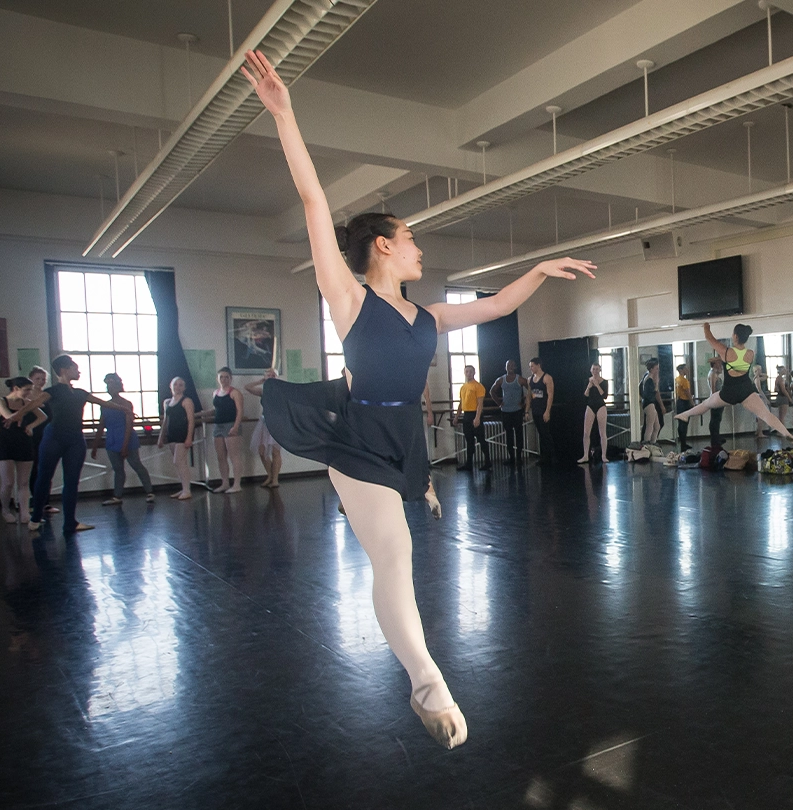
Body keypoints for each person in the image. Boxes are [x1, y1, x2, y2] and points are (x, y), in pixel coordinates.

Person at [243, 48, 594, 750]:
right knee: (395, 557)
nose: (420, 250)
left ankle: (425, 671)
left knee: (400, 547)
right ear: (381, 247)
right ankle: (427, 685)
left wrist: (538, 270)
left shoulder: (428, 317)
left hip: (404, 443)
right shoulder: (347, 300)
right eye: (411, 241)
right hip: (356, 441)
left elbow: (494, 307)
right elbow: (315, 203)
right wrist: (284, 115)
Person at [28, 354, 133, 532]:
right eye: (75, 368)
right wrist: (16, 415)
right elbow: (34, 404)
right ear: (64, 370)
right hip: (54, 437)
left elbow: (103, 403)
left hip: (75, 439)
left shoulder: (80, 393)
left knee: (71, 481)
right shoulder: (52, 392)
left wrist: (124, 408)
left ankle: (70, 522)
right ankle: (35, 518)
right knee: (44, 477)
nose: (79, 371)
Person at [674, 324, 793, 444]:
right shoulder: (750, 353)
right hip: (746, 391)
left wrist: (706, 326)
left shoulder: (726, 352)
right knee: (766, 415)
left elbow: (709, 337)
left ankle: (686, 414)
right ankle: (788, 434)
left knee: (707, 404)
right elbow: (738, 362)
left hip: (728, 392)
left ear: (735, 336)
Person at [92, 373, 154, 505]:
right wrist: (95, 445)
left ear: (118, 386)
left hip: (127, 439)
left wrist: (125, 446)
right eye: (108, 385)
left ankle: (149, 491)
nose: (110, 388)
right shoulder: (105, 405)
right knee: (118, 469)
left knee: (136, 465)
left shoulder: (126, 404)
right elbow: (101, 425)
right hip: (112, 439)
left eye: (112, 385)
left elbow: (128, 425)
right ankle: (117, 496)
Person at [0, 376, 45, 524]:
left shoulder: (27, 403)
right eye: (27, 390)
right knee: (8, 482)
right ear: (15, 389)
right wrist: (23, 413)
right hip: (5, 444)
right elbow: (9, 416)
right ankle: (5, 509)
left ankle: (24, 513)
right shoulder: (0, 401)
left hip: (24, 442)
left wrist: (30, 426)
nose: (29, 393)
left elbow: (43, 416)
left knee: (23, 482)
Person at [205, 366, 245, 493]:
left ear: (231, 378)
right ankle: (225, 483)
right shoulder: (215, 393)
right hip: (218, 426)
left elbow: (240, 411)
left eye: (226, 377)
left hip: (231, 425)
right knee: (221, 457)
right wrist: (200, 414)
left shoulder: (235, 393)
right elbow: (216, 410)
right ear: (218, 379)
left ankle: (237, 484)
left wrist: (236, 426)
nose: (224, 379)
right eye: (221, 377)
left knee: (234, 456)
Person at [158, 376, 197, 500]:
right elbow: (165, 421)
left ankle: (187, 490)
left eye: (181, 385)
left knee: (179, 461)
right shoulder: (167, 402)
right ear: (171, 386)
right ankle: (184, 488)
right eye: (175, 384)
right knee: (180, 464)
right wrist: (161, 437)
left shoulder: (187, 401)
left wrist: (189, 438)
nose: (178, 387)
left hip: (182, 434)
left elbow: (191, 421)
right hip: (171, 435)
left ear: (184, 388)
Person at [244, 368, 283, 487]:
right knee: (262, 451)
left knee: (276, 452)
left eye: (273, 375)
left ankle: (275, 479)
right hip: (264, 422)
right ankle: (269, 475)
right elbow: (247, 387)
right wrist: (261, 381)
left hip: (277, 423)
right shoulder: (263, 391)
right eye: (268, 375)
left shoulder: (281, 390)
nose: (271, 376)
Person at [490, 360, 529, 463]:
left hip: (517, 411)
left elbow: (531, 391)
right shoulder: (501, 380)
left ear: (515, 367)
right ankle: (511, 458)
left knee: (519, 434)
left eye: (512, 365)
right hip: (506, 411)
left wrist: (525, 404)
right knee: (509, 435)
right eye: (508, 365)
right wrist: (499, 403)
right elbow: (492, 391)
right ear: (505, 367)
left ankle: (519, 457)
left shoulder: (520, 379)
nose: (510, 367)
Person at [456, 365, 491, 471]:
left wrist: (477, 417)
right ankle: (469, 463)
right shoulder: (463, 387)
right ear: (464, 373)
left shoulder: (478, 386)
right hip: (466, 415)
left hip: (475, 414)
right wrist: (457, 416)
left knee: (481, 439)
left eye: (470, 371)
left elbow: (480, 404)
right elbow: (461, 403)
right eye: (466, 371)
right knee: (469, 440)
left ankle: (488, 462)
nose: (468, 373)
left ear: (474, 373)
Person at [26, 366, 49, 514]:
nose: (40, 382)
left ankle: (45, 502)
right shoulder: (27, 397)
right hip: (33, 435)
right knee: (34, 468)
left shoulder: (47, 395)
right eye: (37, 379)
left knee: (46, 467)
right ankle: (35, 500)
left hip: (47, 434)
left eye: (43, 379)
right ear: (31, 380)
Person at [578, 364, 609, 464]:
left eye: (597, 369)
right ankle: (585, 455)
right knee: (586, 432)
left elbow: (604, 396)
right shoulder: (587, 381)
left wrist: (597, 385)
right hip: (590, 405)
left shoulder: (604, 382)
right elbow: (585, 395)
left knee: (602, 432)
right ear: (591, 370)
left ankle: (604, 455)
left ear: (600, 370)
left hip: (601, 406)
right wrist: (589, 386)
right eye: (593, 369)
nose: (595, 371)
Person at [528, 357, 556, 465]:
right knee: (540, 433)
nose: (531, 368)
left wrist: (547, 411)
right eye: (530, 367)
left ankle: (552, 456)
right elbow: (530, 395)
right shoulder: (530, 379)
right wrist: (527, 410)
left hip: (544, 409)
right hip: (535, 410)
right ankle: (544, 456)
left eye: (532, 366)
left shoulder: (547, 378)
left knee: (546, 433)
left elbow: (550, 395)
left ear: (538, 365)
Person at [640, 358, 664, 444]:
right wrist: (656, 384)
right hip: (649, 404)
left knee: (657, 426)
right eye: (656, 368)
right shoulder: (648, 380)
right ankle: (646, 444)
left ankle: (653, 443)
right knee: (650, 426)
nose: (658, 370)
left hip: (650, 403)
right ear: (651, 369)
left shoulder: (648, 379)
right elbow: (650, 393)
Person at [674, 363, 694, 451]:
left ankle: (683, 443)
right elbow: (687, 392)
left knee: (681, 424)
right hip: (684, 402)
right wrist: (692, 403)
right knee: (684, 424)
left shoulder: (676, 379)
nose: (687, 370)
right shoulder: (684, 381)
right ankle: (683, 444)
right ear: (681, 370)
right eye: (686, 368)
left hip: (679, 402)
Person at [705, 357, 724, 446]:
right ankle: (715, 438)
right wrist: (714, 400)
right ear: (715, 364)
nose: (720, 365)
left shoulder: (715, 373)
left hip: (718, 399)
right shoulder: (712, 374)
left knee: (717, 419)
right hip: (716, 400)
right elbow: (713, 388)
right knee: (715, 420)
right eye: (719, 363)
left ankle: (716, 437)